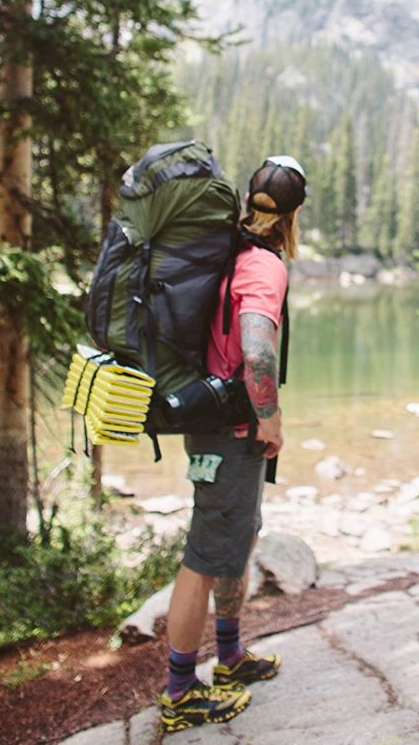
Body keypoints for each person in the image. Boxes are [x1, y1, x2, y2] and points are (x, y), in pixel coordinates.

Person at [159, 155, 307, 733]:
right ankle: (178, 692)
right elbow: (257, 349)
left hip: (209, 416)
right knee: (204, 555)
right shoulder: (264, 267)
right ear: (295, 214)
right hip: (235, 427)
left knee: (236, 536)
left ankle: (230, 658)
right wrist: (269, 416)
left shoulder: (227, 250)